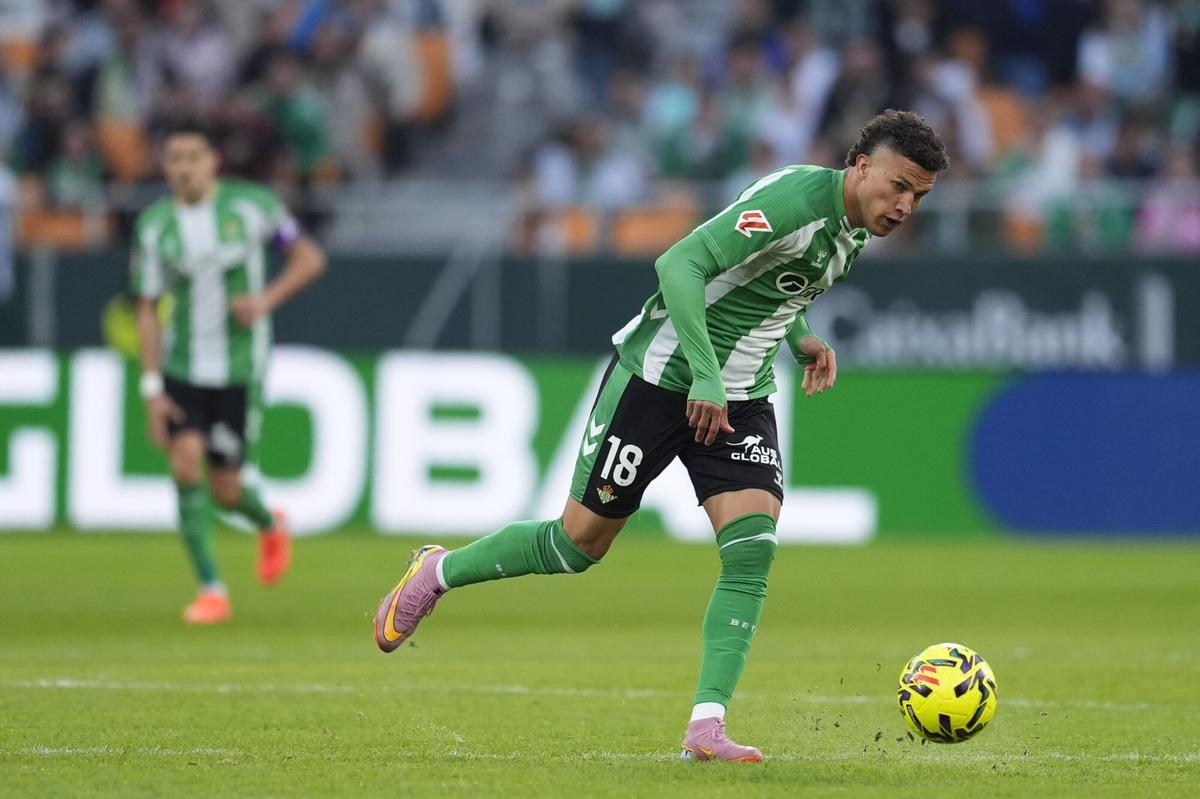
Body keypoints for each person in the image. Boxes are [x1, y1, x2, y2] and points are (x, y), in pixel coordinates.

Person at [373, 109, 947, 761]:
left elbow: (770, 286)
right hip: (661, 376)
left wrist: (799, 336)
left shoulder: (853, 230)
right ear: (862, 165)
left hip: (741, 395)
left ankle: (706, 726)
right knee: (577, 544)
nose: (905, 206)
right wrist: (703, 373)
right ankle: (437, 570)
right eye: (899, 186)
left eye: (919, 197)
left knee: (752, 548)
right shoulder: (797, 201)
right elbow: (680, 263)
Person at [132, 119, 326, 624]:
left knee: (226, 488)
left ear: (213, 161)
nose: (184, 168)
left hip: (240, 368)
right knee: (183, 463)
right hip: (181, 365)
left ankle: (267, 521)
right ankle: (211, 589)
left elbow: (309, 259)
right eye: (174, 158)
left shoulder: (254, 207)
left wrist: (265, 300)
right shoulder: (154, 226)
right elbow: (147, 309)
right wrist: (151, 388)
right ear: (165, 166)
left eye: (194, 157)